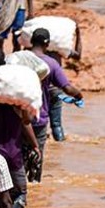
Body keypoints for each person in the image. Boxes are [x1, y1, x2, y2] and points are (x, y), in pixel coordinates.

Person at [0, 50, 39, 208]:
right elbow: (27, 121)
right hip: (14, 153)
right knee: (20, 192)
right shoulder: (17, 102)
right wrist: (35, 145)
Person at [27, 29, 82, 182]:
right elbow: (67, 88)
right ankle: (35, 184)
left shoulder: (19, 59)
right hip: (38, 116)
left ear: (31, 41)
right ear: (47, 44)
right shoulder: (51, 63)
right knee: (37, 153)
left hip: (17, 115)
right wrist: (79, 95)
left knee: (18, 155)